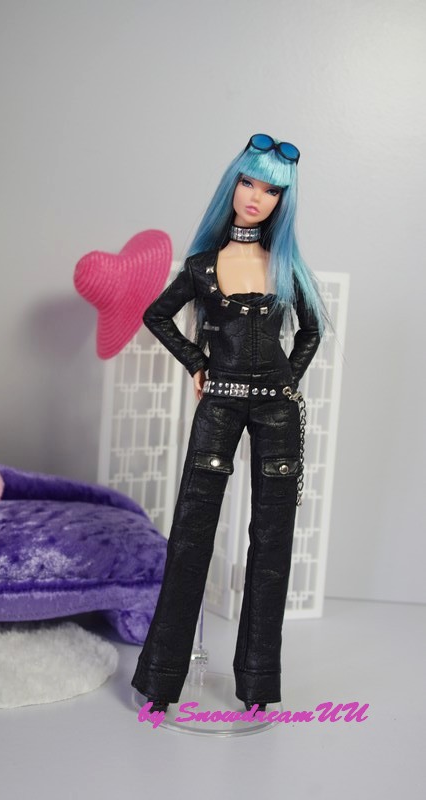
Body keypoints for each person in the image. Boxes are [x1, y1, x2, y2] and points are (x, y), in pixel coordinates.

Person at [131, 134, 330, 715]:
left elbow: (312, 330)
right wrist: (196, 360)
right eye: (248, 182)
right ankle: (161, 680)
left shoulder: (287, 268)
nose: (256, 197)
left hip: (276, 411)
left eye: (272, 190)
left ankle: (259, 685)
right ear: (232, 185)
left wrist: (287, 381)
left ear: (282, 202)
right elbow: (156, 314)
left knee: (272, 544)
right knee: (191, 537)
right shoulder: (201, 266)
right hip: (218, 404)